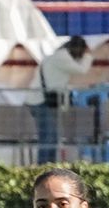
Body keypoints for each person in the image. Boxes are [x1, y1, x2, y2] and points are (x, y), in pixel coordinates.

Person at [36, 35, 93, 163]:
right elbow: (82, 70)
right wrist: (88, 55)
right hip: (45, 101)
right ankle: (44, 166)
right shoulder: (62, 57)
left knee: (50, 137)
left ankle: (46, 165)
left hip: (47, 100)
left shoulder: (59, 56)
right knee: (49, 138)